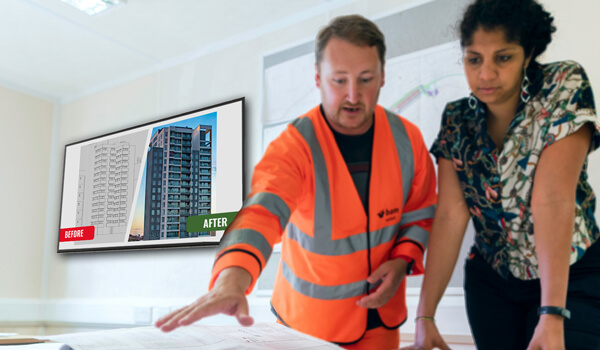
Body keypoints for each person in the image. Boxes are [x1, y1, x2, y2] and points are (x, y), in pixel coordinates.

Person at [155, 15, 437, 350]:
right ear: (318, 78)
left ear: (383, 77)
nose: (352, 95)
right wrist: (231, 279)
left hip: (382, 322)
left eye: (365, 79)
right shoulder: (293, 147)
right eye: (339, 80)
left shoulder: (408, 139)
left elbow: (420, 212)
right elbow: (262, 212)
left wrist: (403, 260)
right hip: (309, 329)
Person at [403, 1, 600, 349]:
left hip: (572, 274)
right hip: (492, 281)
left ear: (528, 54)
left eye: (503, 57)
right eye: (474, 59)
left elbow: (551, 200)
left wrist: (552, 313)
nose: (486, 74)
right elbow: (450, 215)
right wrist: (425, 316)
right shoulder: (457, 119)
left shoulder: (562, 85)